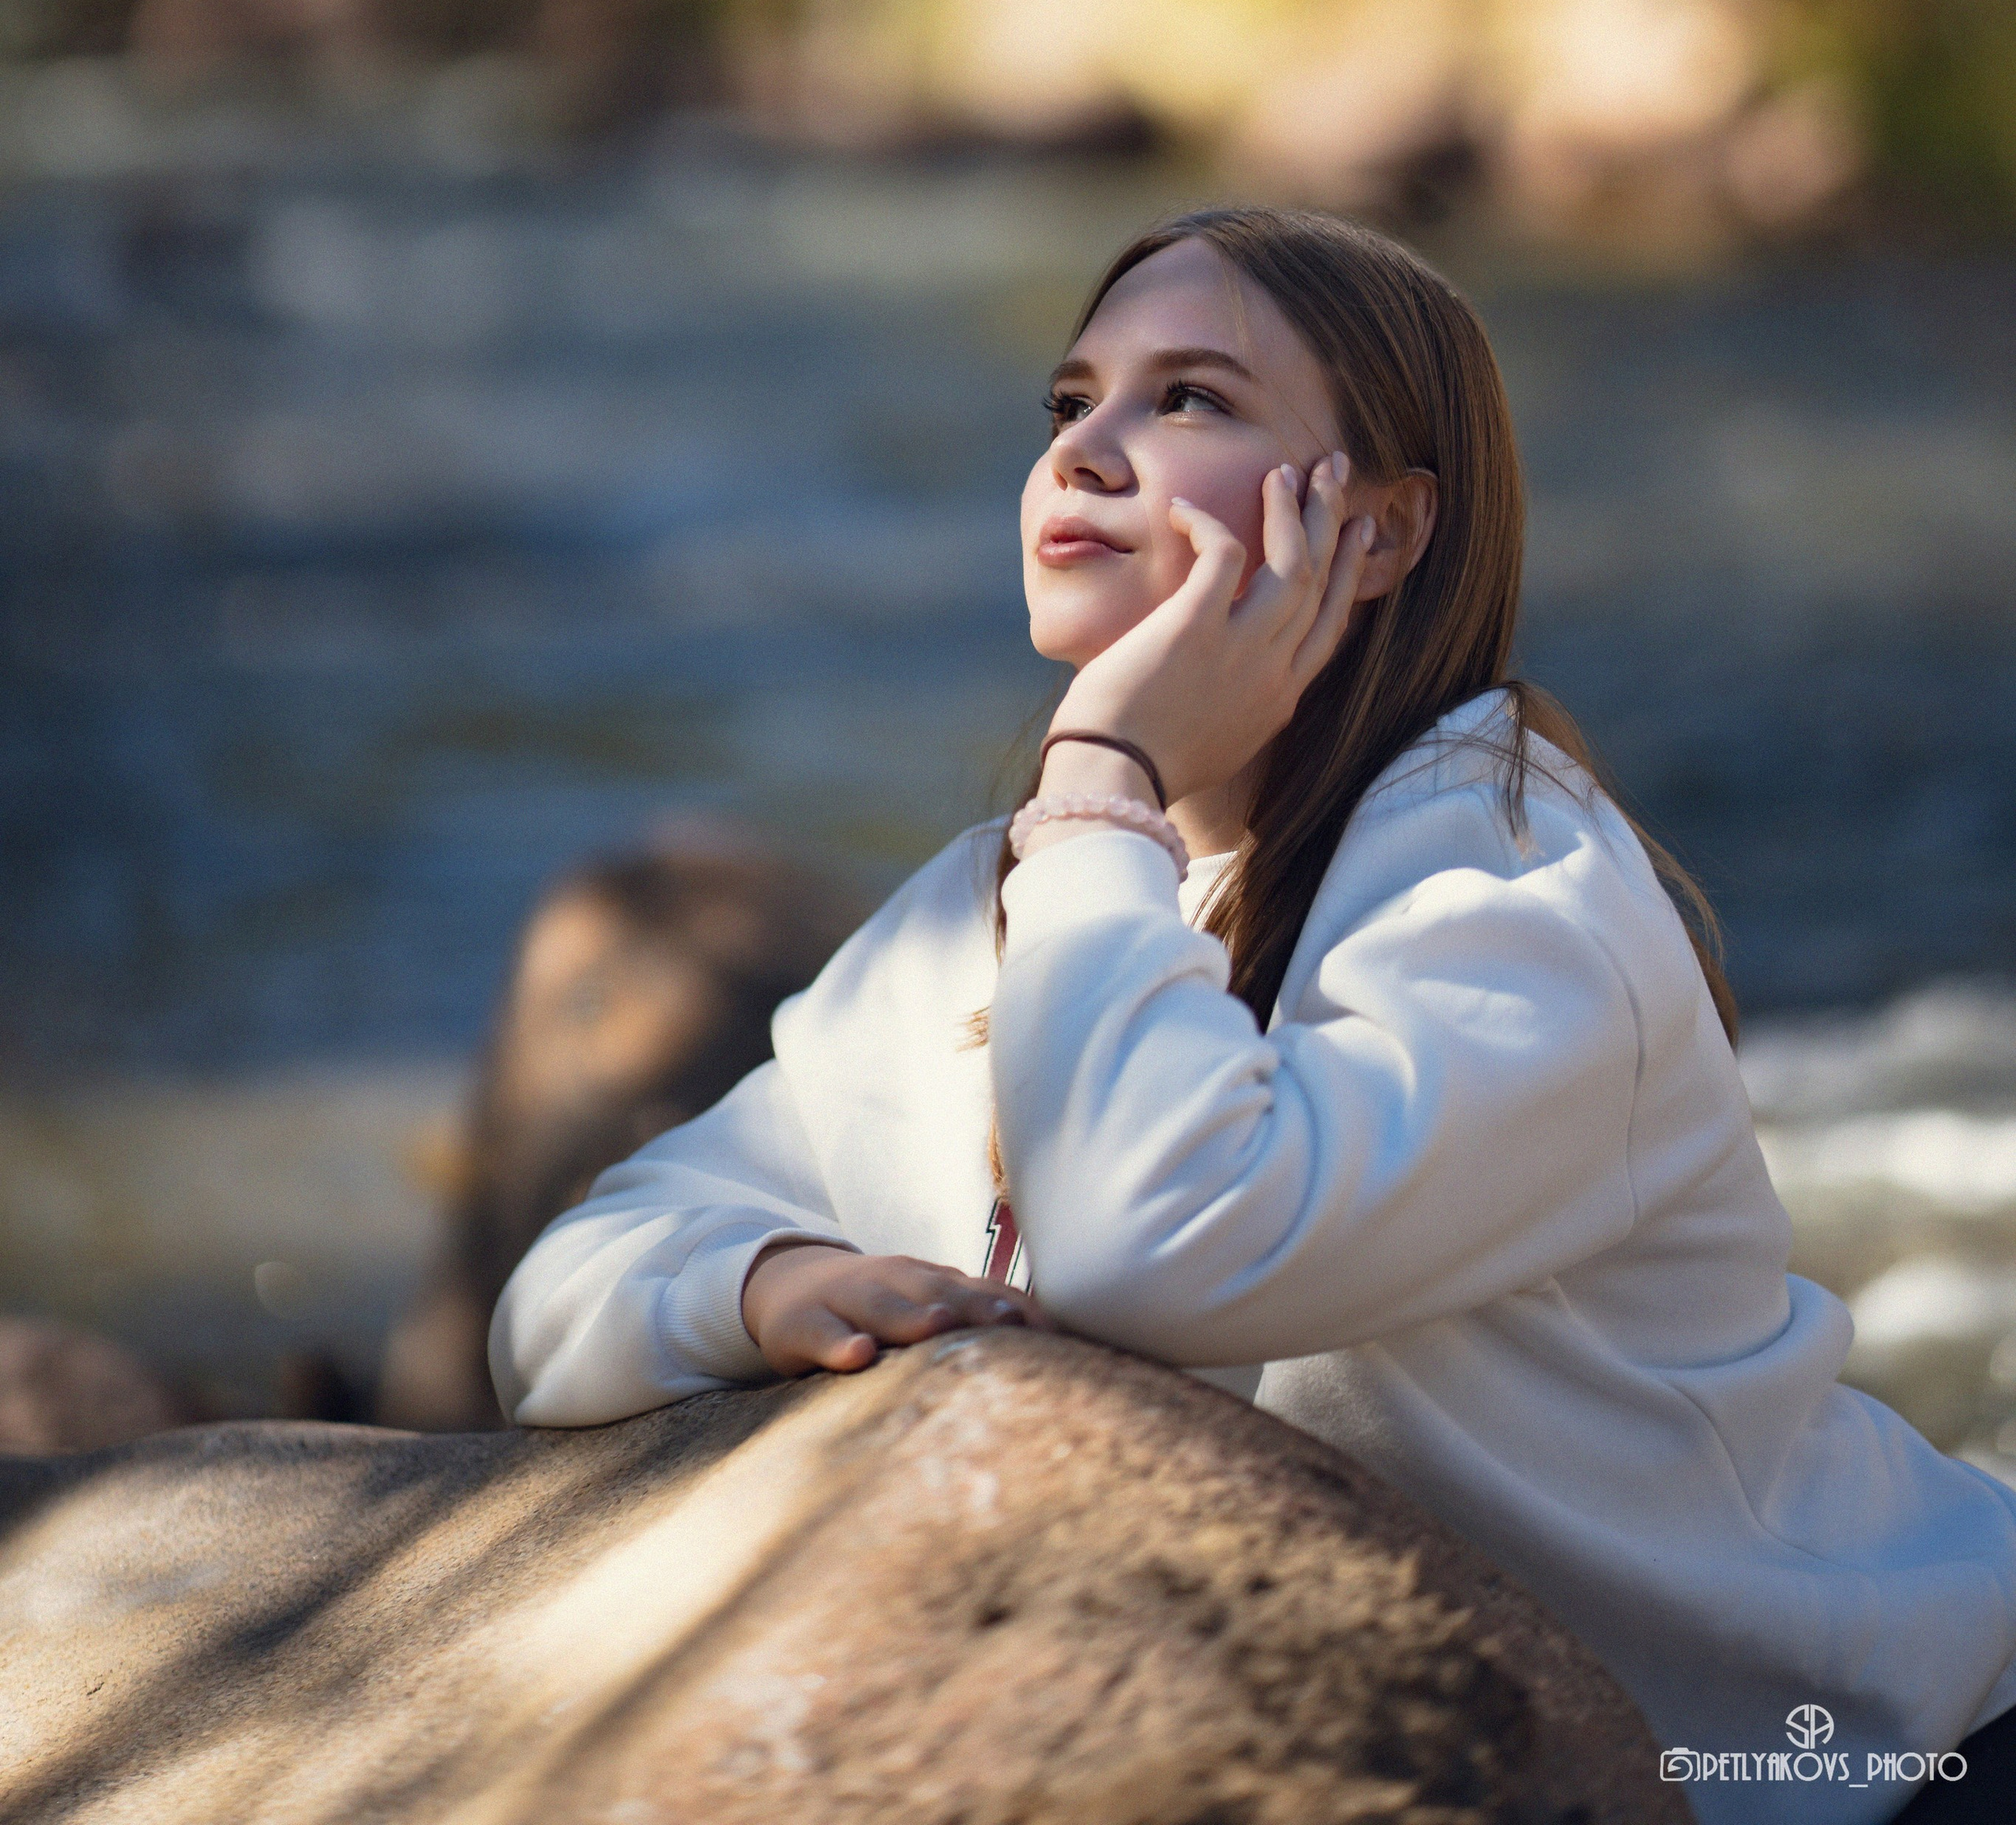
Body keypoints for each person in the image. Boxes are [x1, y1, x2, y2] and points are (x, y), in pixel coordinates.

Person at [491, 206, 2016, 1823]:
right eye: (1070, 402)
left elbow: (1163, 1244)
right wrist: (769, 1280)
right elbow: (553, 1301)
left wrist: (1099, 772)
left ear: (1374, 534)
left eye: (1190, 401)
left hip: (1894, 1762)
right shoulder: (986, 908)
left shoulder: (1507, 887)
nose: (1084, 451)